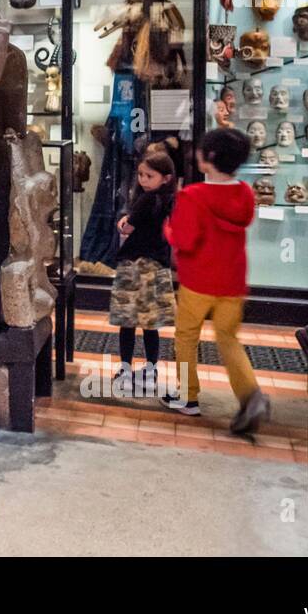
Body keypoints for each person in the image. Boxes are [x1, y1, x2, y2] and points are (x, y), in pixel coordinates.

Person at [163, 128, 271, 434]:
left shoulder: (192, 196)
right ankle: (251, 395)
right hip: (233, 281)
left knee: (186, 336)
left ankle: (189, 396)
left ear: (208, 158)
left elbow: (185, 241)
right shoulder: (246, 194)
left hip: (198, 280)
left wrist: (168, 230)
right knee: (228, 339)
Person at [110, 151, 177, 396]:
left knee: (127, 321)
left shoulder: (146, 200)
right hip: (157, 264)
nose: (143, 180)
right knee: (151, 324)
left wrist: (122, 222)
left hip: (134, 264)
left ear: (166, 178)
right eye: (140, 174)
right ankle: (151, 369)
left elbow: (127, 227)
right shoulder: (169, 201)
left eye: (149, 175)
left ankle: (125, 368)